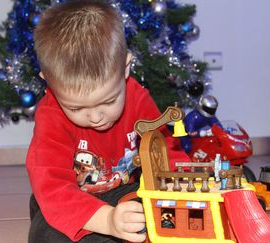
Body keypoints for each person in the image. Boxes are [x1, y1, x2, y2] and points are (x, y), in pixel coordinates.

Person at [26, 1, 189, 242]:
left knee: (158, 213)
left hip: (126, 193)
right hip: (72, 200)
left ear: (125, 68)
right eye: (76, 107)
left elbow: (166, 151)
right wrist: (107, 221)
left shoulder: (138, 99)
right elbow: (53, 188)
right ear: (49, 82)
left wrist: (184, 186)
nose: (95, 116)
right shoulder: (50, 115)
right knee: (44, 235)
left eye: (109, 101)